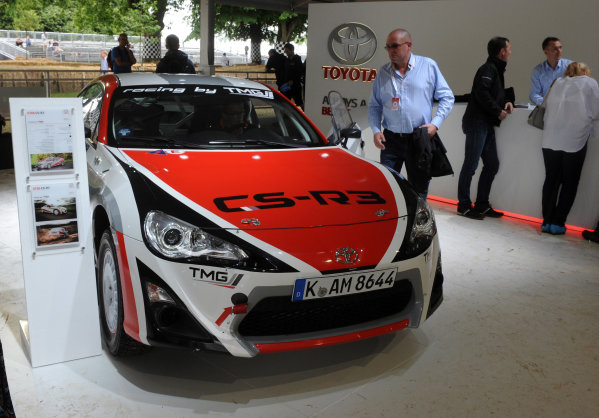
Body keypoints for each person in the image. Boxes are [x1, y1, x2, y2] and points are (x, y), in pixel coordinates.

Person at [368, 28, 454, 198]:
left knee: (418, 190)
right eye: (388, 47)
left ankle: (416, 223)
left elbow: (447, 97)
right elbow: (374, 106)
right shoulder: (383, 73)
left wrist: (435, 124)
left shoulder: (428, 66)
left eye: (395, 46)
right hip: (390, 140)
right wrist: (376, 130)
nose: (391, 51)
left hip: (418, 138)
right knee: (388, 187)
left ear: (409, 45)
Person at [457, 36, 514, 219]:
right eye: (509, 49)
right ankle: (464, 205)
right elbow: (481, 92)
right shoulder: (488, 69)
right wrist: (498, 111)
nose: (511, 52)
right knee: (471, 165)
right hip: (477, 122)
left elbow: (491, 93)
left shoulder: (495, 70)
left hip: (485, 123)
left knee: (492, 164)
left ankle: (481, 204)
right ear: (502, 51)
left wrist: (507, 101)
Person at [540, 62, 599, 235]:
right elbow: (596, 111)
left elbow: (545, 106)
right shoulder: (590, 83)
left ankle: (547, 221)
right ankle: (558, 223)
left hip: (550, 140)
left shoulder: (558, 82)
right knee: (570, 182)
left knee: (551, 180)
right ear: (585, 72)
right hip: (575, 140)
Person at [529, 37, 572, 106]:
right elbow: (534, 94)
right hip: (548, 109)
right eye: (555, 49)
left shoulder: (570, 66)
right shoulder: (538, 71)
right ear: (546, 52)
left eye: (560, 48)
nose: (559, 51)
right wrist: (547, 103)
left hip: (567, 107)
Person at [282, 43, 305, 108]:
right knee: (286, 101)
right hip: (287, 84)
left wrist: (293, 80)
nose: (286, 52)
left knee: (299, 101)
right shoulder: (286, 60)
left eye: (287, 51)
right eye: (285, 51)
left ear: (291, 50)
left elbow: (299, 71)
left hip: (296, 85)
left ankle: (305, 115)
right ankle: (285, 116)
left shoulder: (297, 59)